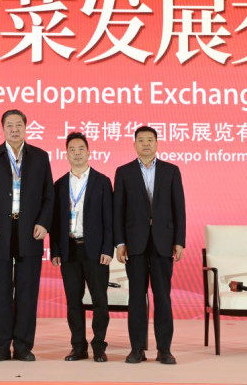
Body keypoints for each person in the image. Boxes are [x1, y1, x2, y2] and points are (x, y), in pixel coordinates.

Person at [0, 109, 54, 362]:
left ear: (26, 127)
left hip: (29, 231)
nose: (15, 129)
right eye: (10, 125)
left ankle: (23, 346)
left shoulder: (40, 157)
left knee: (27, 292)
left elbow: (49, 195)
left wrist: (44, 223)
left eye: (19, 124)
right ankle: (0, 346)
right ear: (2, 128)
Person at [114, 125, 186, 365]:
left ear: (157, 143)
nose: (146, 144)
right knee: (136, 297)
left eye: (150, 140)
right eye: (141, 140)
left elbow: (179, 208)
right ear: (134, 144)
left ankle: (164, 350)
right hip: (134, 244)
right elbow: (118, 210)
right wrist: (120, 242)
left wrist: (179, 241)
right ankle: (137, 349)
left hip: (163, 243)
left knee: (163, 297)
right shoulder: (123, 172)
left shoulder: (171, 171)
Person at [50, 131, 113, 362]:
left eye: (81, 149)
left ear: (88, 152)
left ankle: (99, 346)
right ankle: (78, 346)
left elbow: (110, 219)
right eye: (72, 150)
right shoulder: (59, 185)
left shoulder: (102, 182)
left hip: (95, 251)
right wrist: (56, 250)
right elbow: (55, 221)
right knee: (73, 301)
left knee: (100, 301)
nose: (77, 153)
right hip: (69, 250)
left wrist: (108, 248)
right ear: (66, 154)